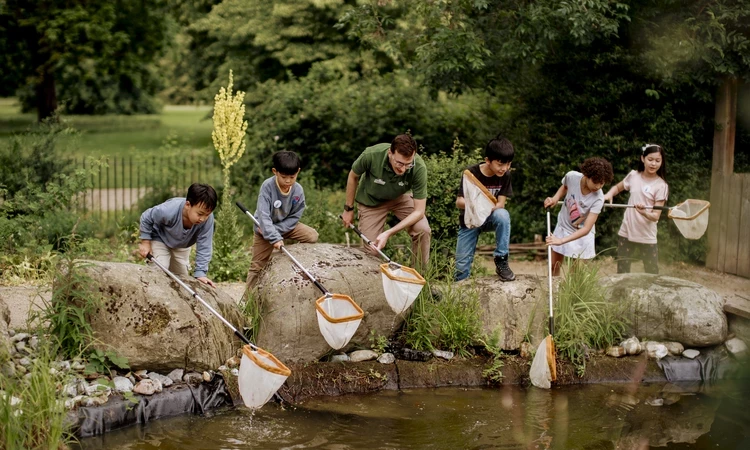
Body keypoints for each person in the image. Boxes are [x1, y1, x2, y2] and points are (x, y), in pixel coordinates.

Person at [340, 134, 431, 268]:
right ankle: (374, 283)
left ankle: (419, 279)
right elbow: (353, 176)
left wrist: (388, 233)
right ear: (390, 153)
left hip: (400, 197)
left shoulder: (419, 167)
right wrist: (348, 209)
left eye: (408, 164)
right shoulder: (371, 155)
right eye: (399, 163)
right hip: (371, 200)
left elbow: (419, 211)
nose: (403, 169)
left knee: (423, 229)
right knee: (372, 249)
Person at [246, 151, 318, 288]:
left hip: (286, 227)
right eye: (284, 177)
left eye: (292, 177)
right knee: (257, 266)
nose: (288, 181)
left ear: (298, 172)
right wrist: (273, 236)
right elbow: (263, 215)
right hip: (264, 229)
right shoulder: (267, 187)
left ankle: (287, 255)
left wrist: (278, 232)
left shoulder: (298, 191)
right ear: (275, 171)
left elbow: (295, 217)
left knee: (312, 235)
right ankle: (246, 300)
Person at [454, 136, 515, 282]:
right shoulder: (471, 173)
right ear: (488, 160)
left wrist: (486, 209)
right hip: (470, 220)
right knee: (461, 268)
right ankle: (459, 294)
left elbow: (501, 204)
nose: (504, 168)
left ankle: (501, 259)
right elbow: (459, 202)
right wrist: (476, 205)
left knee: (503, 215)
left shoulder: (505, 175)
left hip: (490, 217)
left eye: (508, 164)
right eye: (500, 164)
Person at [603, 144, 669, 274]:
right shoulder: (633, 176)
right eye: (650, 159)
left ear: (662, 162)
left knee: (651, 273)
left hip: (647, 235)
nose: (653, 164)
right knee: (622, 272)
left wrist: (644, 212)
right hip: (626, 231)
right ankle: (621, 294)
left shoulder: (662, 186)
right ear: (642, 158)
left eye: (657, 160)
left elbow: (656, 216)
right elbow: (617, 188)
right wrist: (609, 194)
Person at [543, 157, 614, 276]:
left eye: (602, 183)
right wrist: (555, 198)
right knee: (553, 266)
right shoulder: (572, 176)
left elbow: (586, 229)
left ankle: (570, 294)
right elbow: (565, 186)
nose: (598, 186)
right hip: (564, 226)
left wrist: (561, 241)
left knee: (576, 274)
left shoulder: (598, 198)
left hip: (582, 233)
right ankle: (554, 292)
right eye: (595, 182)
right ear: (586, 175)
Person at [139, 183, 218, 287]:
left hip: (181, 246)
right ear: (188, 205)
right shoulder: (168, 210)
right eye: (200, 214)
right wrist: (145, 242)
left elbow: (205, 245)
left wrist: (200, 273)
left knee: (181, 279)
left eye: (207, 215)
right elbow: (146, 217)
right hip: (160, 238)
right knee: (160, 268)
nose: (203, 219)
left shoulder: (207, 220)